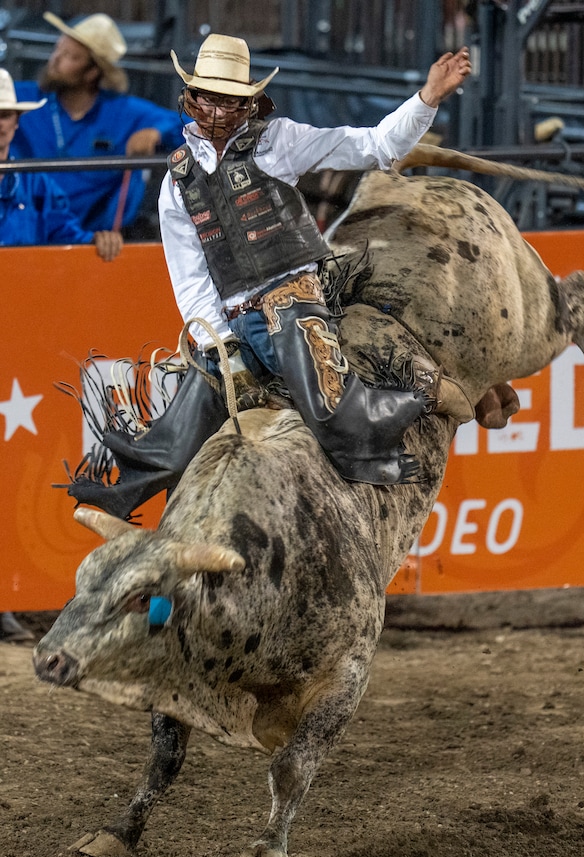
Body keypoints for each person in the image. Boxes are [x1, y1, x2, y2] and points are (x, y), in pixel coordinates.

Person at [64, 33, 472, 518]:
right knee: (174, 446)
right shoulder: (177, 179)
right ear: (190, 98)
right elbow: (190, 273)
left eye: (228, 100)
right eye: (207, 97)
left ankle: (418, 394)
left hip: (291, 301)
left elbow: (375, 146)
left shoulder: (278, 142)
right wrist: (217, 341)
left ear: (247, 104)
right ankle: (112, 500)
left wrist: (428, 98)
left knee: (329, 412)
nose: (215, 110)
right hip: (231, 320)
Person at [12, 12, 185, 234]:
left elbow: (186, 125)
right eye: (57, 49)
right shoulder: (22, 100)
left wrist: (157, 132)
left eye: (70, 56)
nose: (54, 59)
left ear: (92, 72)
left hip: (96, 242)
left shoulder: (121, 111)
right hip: (26, 233)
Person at [0, 67, 122, 259]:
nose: (0, 124)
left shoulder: (37, 185)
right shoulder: (34, 182)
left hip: (25, 283)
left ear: (16, 122)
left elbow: (64, 231)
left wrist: (95, 240)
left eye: (5, 115)